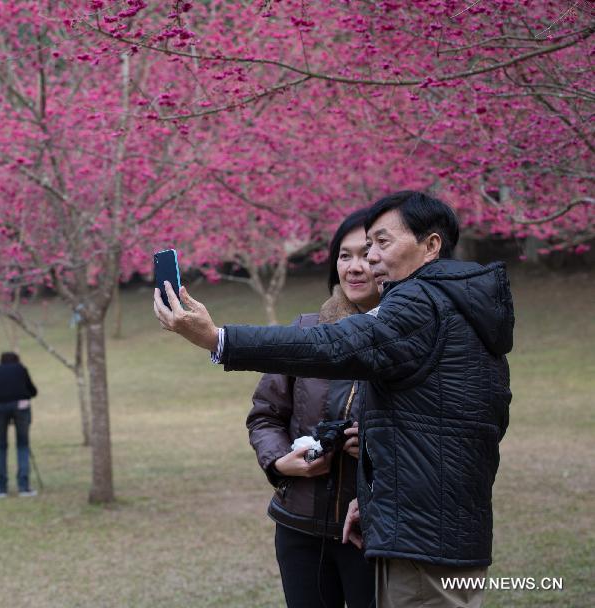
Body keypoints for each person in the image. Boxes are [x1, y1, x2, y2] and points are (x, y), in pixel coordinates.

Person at [155, 191, 513, 608]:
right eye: (356, 251)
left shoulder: (422, 303)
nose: (369, 259)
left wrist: (217, 339)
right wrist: (379, 491)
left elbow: (332, 347)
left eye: (381, 243)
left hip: (421, 540)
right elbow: (478, 421)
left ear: (431, 245)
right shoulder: (463, 307)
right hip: (418, 528)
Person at [247, 210, 377, 608]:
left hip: (373, 531)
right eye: (344, 255)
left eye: (368, 255)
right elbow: (265, 414)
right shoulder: (305, 332)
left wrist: (373, 441)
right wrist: (280, 462)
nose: (354, 267)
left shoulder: (410, 339)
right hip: (298, 526)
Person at [0, 352, 39, 497]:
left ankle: (1, 488)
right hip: (21, 406)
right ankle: (24, 486)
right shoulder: (21, 369)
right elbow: (32, 391)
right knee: (22, 444)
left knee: (0, 445)